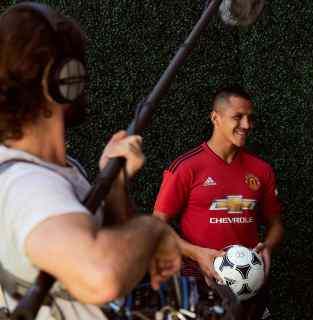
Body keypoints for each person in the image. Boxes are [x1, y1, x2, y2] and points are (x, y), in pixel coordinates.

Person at [0, 3, 181, 320]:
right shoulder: (27, 184)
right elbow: (102, 276)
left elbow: (114, 252)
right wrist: (153, 228)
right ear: (62, 79)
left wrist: (115, 185)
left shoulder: (56, 171)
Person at [153, 86, 284, 319]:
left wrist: (268, 248)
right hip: (197, 281)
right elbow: (157, 225)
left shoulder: (261, 170)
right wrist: (196, 253)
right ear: (216, 117)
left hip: (249, 282)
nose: (246, 125)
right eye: (238, 117)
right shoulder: (186, 168)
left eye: (249, 118)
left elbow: (276, 225)